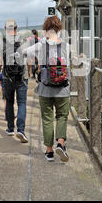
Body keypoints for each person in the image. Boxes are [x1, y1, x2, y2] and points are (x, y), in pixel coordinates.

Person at [24, 15, 70, 162]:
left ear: (45, 29)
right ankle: (61, 143)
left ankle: (49, 151)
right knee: (62, 116)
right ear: (59, 29)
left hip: (45, 88)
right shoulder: (66, 45)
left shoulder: (41, 45)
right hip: (63, 88)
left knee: (47, 118)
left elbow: (27, 52)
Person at [0, 19, 29, 143]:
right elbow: (28, 60)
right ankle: (21, 129)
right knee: (22, 103)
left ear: (5, 28)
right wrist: (29, 73)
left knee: (9, 102)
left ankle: (10, 128)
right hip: (22, 77)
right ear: (16, 27)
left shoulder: (2, 42)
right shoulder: (24, 41)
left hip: (7, 77)